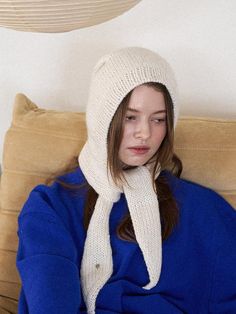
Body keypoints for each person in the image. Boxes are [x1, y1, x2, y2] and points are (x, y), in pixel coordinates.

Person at [16, 47, 236, 314]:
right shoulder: (50, 206)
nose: (145, 133)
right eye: (131, 117)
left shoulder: (202, 208)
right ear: (102, 119)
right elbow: (50, 301)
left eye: (159, 120)